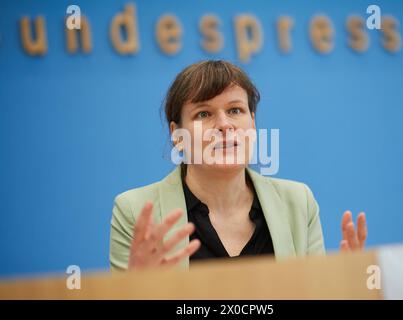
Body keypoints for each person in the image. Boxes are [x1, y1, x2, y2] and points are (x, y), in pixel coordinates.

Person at [109, 60, 367, 271]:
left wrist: (341, 291)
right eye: (204, 114)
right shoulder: (135, 211)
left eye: (235, 110)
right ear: (177, 136)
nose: (224, 124)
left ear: (252, 123)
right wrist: (138, 289)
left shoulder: (298, 202)